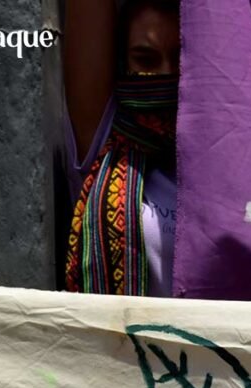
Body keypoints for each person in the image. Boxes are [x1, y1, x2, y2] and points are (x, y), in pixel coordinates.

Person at [62, 0, 180, 296]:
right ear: (122, 65)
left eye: (180, 58)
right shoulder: (106, 144)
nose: (165, 73)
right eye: (145, 60)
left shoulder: (230, 156)